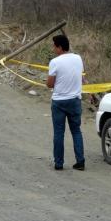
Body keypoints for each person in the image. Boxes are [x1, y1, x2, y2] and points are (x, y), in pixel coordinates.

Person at [46, 34, 85, 171]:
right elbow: (81, 77)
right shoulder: (78, 58)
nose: (53, 49)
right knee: (76, 131)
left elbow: (49, 84)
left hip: (59, 101)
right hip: (75, 100)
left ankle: (59, 163)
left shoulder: (54, 62)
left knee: (58, 133)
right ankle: (80, 161)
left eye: (54, 46)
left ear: (60, 47)